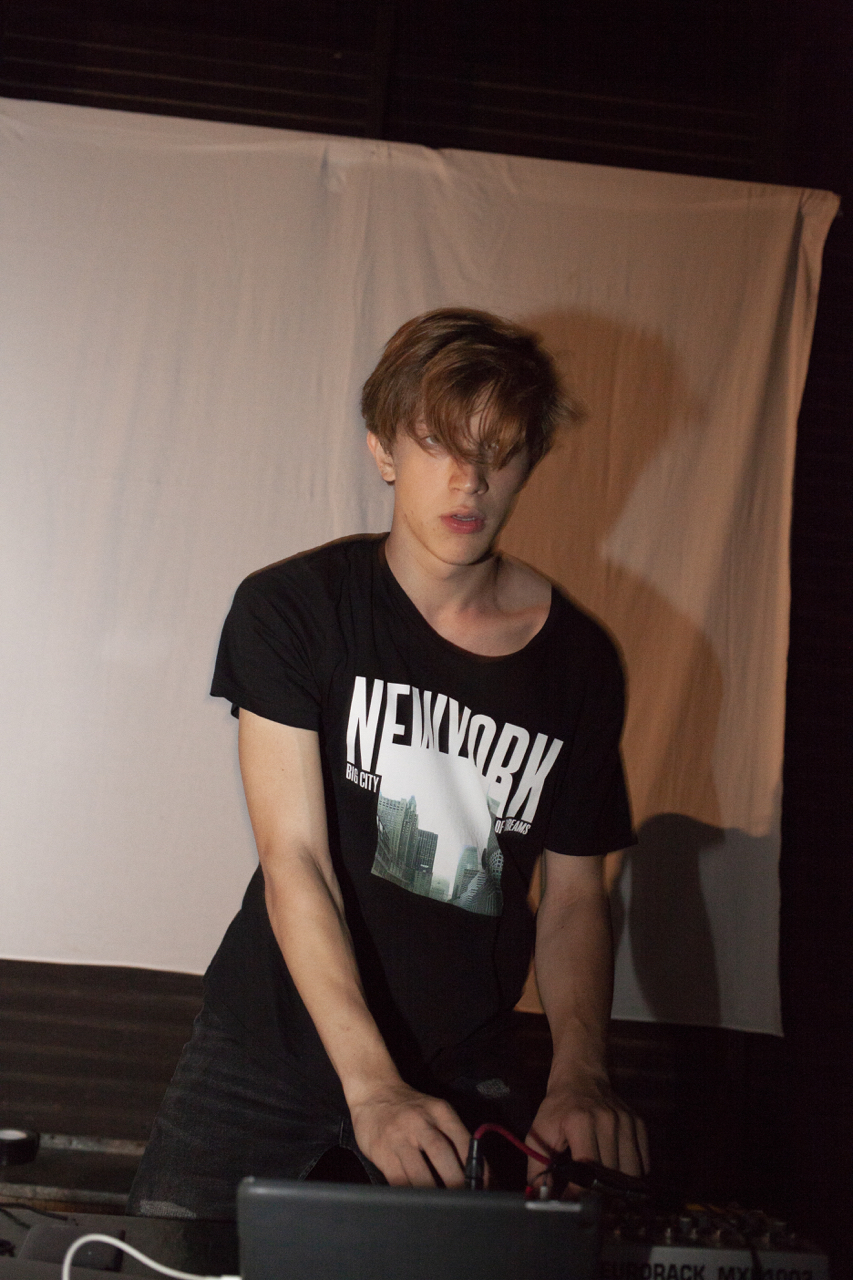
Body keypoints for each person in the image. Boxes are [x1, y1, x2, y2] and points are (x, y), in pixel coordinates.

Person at [128, 307, 648, 1220]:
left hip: (461, 1062)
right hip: (267, 1047)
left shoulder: (578, 663)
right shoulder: (295, 608)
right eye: (438, 443)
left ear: (531, 461)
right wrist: (371, 1086)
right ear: (383, 451)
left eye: (499, 451)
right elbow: (295, 860)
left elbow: (573, 898)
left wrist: (580, 1075)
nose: (469, 481)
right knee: (165, 1262)